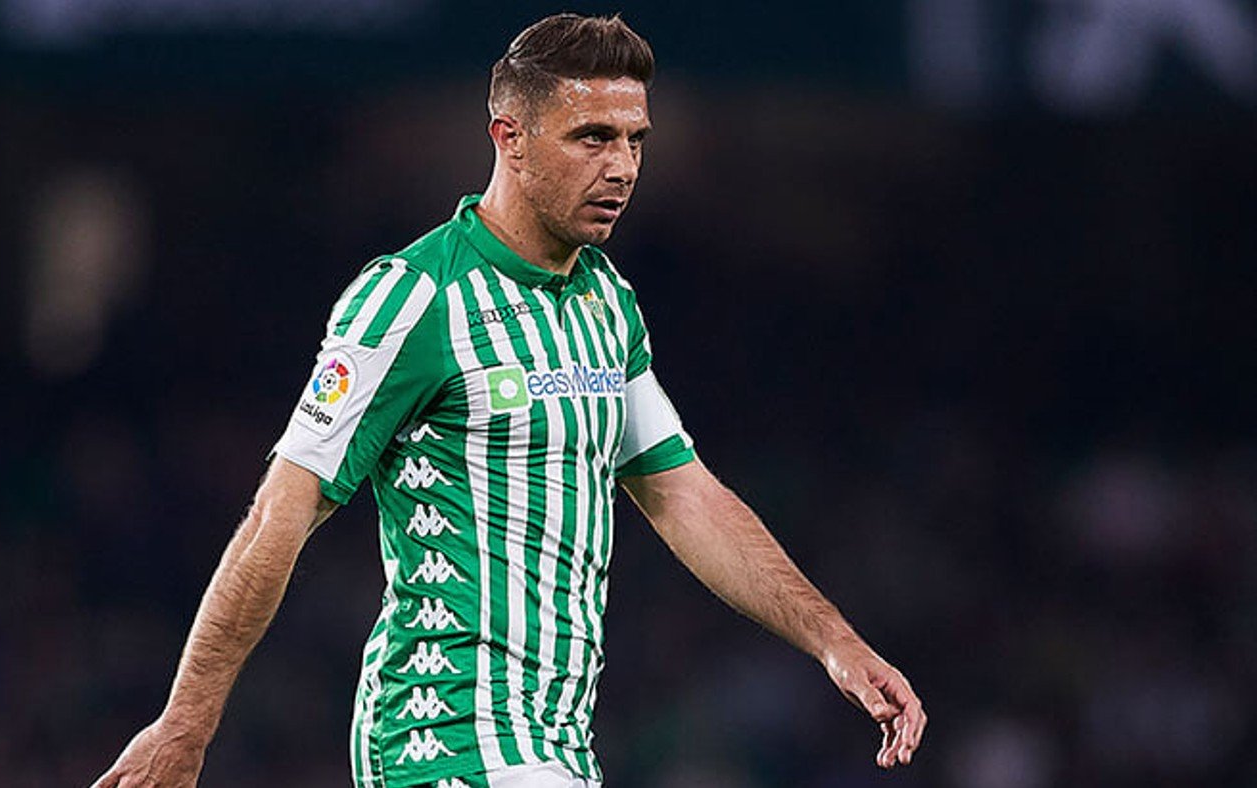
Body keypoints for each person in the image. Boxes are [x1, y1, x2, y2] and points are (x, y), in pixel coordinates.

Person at [92, 13, 925, 788]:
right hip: (441, 736)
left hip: (556, 748)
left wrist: (836, 644)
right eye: (592, 137)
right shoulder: (414, 298)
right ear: (510, 138)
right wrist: (186, 724)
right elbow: (282, 510)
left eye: (635, 139)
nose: (622, 167)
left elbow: (683, 495)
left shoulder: (607, 304)